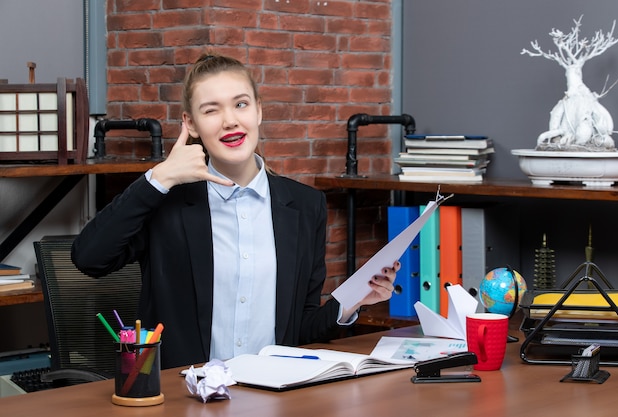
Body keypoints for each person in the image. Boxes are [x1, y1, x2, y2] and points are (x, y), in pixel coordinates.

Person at [71, 53, 399, 369]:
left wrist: (351, 302)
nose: (230, 121)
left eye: (241, 104)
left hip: (274, 395)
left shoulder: (304, 206)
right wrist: (160, 177)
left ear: (258, 111)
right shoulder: (166, 201)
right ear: (191, 123)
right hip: (185, 398)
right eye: (211, 110)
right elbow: (89, 258)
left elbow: (300, 331)